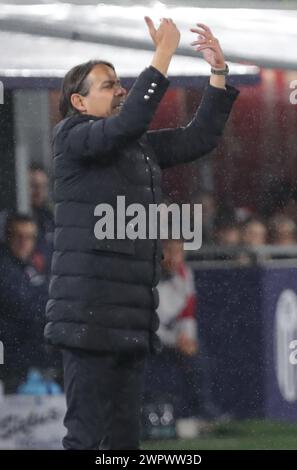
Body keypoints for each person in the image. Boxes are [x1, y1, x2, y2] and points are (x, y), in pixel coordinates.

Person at [44, 17, 239, 450]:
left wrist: (218, 74)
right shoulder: (71, 138)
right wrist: (163, 55)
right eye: (108, 85)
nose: (120, 90)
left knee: (125, 443)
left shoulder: (136, 146)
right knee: (88, 438)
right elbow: (124, 125)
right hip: (88, 319)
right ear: (78, 100)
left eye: (118, 83)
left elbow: (198, 138)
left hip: (130, 319)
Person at [0, 214, 49, 392]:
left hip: (28, 359)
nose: (24, 242)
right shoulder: (4, 268)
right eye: (18, 236)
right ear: (7, 237)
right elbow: (24, 307)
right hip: (9, 363)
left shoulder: (31, 267)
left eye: (29, 237)